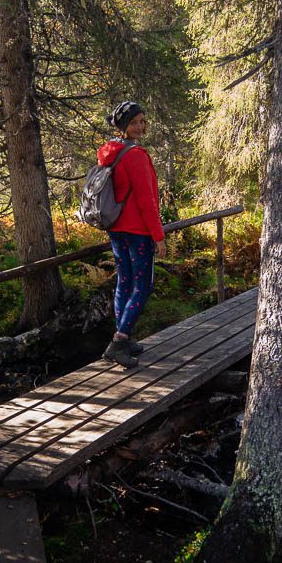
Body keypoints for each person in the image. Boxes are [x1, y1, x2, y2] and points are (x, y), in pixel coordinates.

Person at [98, 101, 165, 368]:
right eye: (134, 122)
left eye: (142, 121)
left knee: (124, 283)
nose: (140, 126)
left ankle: (124, 339)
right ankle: (119, 341)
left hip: (116, 228)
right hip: (138, 231)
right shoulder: (135, 155)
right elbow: (147, 201)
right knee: (143, 285)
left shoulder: (110, 151)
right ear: (124, 126)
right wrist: (158, 236)